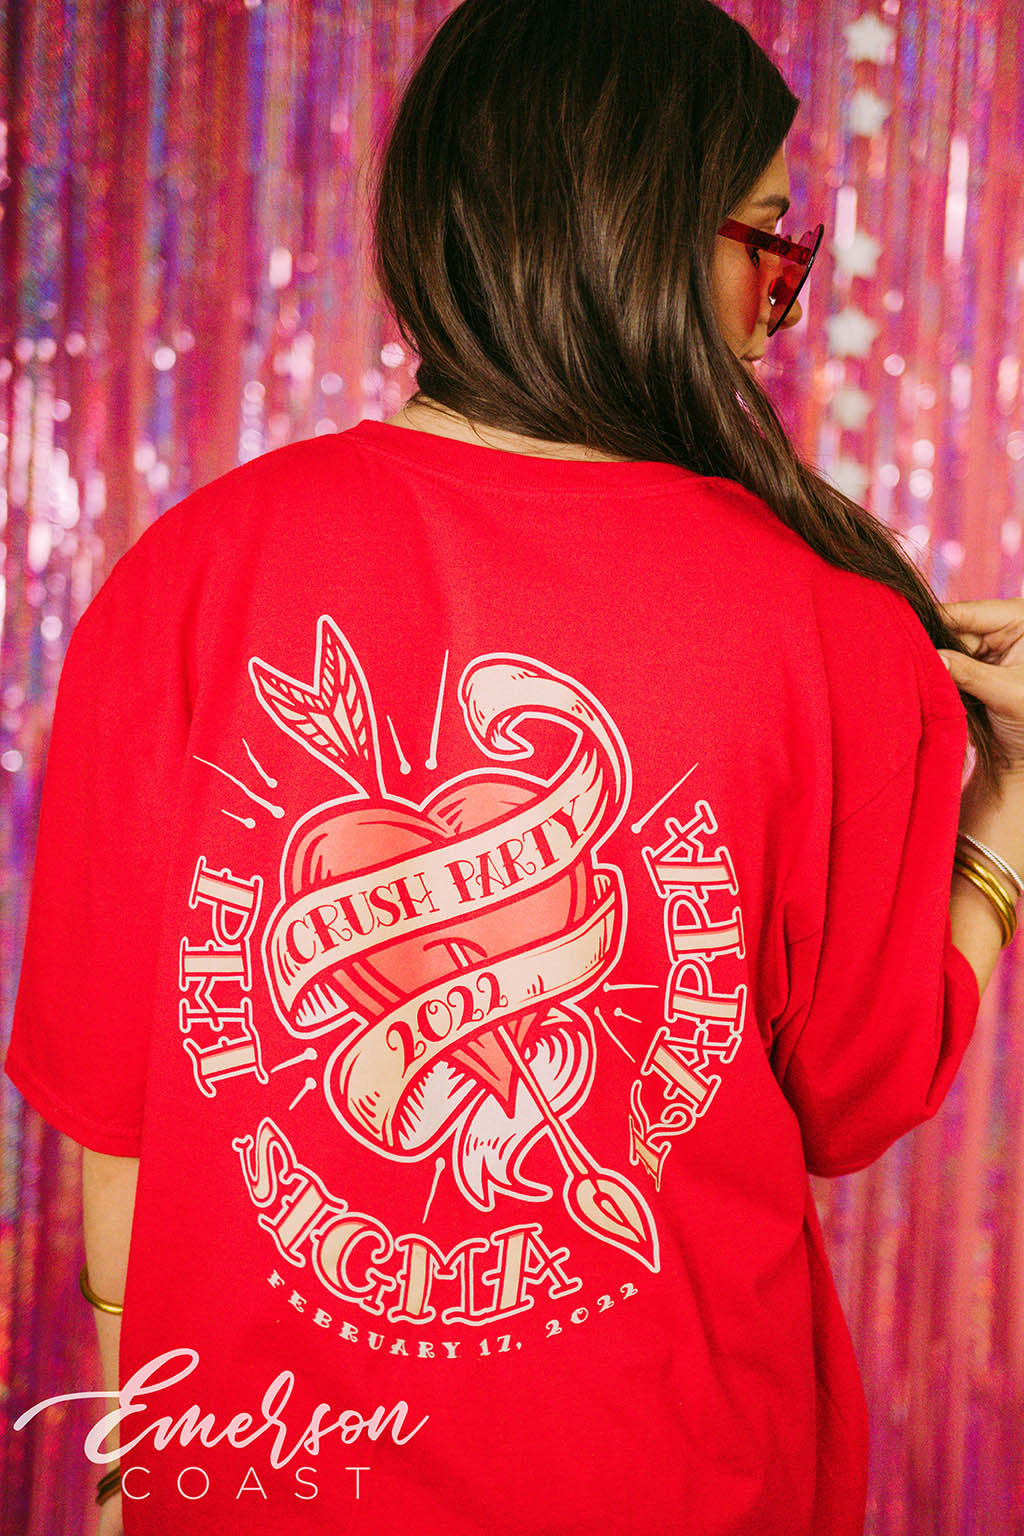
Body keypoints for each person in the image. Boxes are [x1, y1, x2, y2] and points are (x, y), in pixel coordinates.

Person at [7, 1, 1024, 1532]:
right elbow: (855, 1095)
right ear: (638, 233)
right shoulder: (837, 627)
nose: (783, 304)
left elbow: (121, 1117)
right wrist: (1007, 817)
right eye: (771, 243)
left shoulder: (188, 572)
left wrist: (129, 1470)